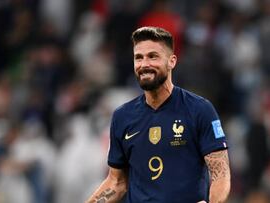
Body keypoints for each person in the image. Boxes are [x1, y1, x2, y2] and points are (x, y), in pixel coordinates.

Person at [86, 26, 230, 203]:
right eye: (138, 58)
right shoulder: (122, 117)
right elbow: (117, 182)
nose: (144, 64)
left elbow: (220, 173)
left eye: (153, 56)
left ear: (172, 61)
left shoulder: (199, 110)